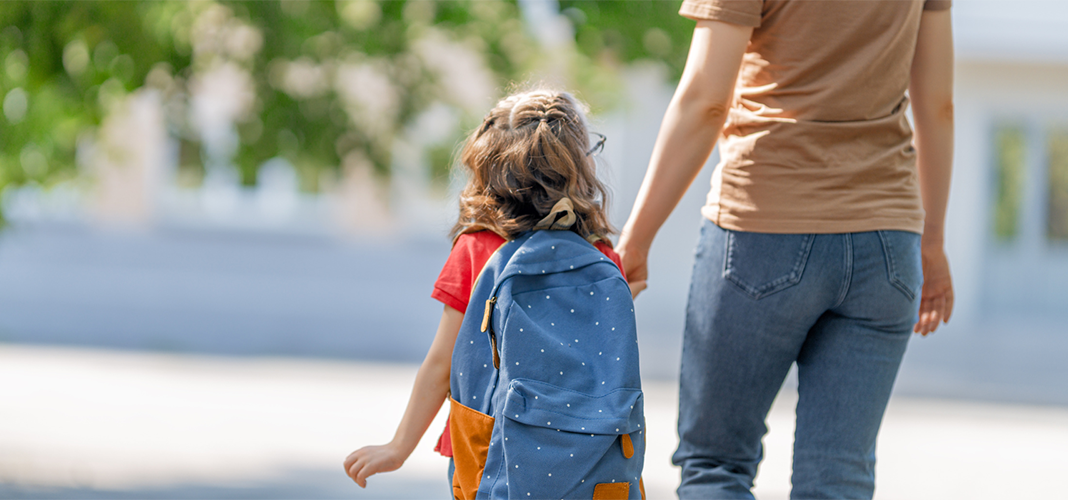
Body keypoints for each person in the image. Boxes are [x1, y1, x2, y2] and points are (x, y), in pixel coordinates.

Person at [614, 0, 955, 498]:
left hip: (762, 226)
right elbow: (938, 104)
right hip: (887, 240)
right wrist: (934, 241)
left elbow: (706, 101)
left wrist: (637, 239)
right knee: (838, 478)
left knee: (716, 464)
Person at [343, 88, 634, 492]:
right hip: (588, 453)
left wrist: (399, 446)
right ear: (578, 170)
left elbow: (441, 362)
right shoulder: (601, 256)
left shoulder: (477, 248)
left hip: (484, 446)